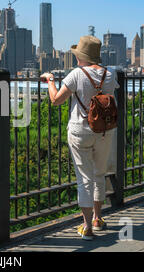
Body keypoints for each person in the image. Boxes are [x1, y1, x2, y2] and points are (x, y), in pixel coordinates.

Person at [40, 35, 119, 241]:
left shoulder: (76, 74)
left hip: (80, 132)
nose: (76, 59)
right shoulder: (110, 73)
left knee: (84, 178)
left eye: (78, 55)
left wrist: (50, 80)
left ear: (82, 56)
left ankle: (86, 227)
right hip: (105, 130)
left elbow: (55, 100)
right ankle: (98, 218)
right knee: (99, 173)